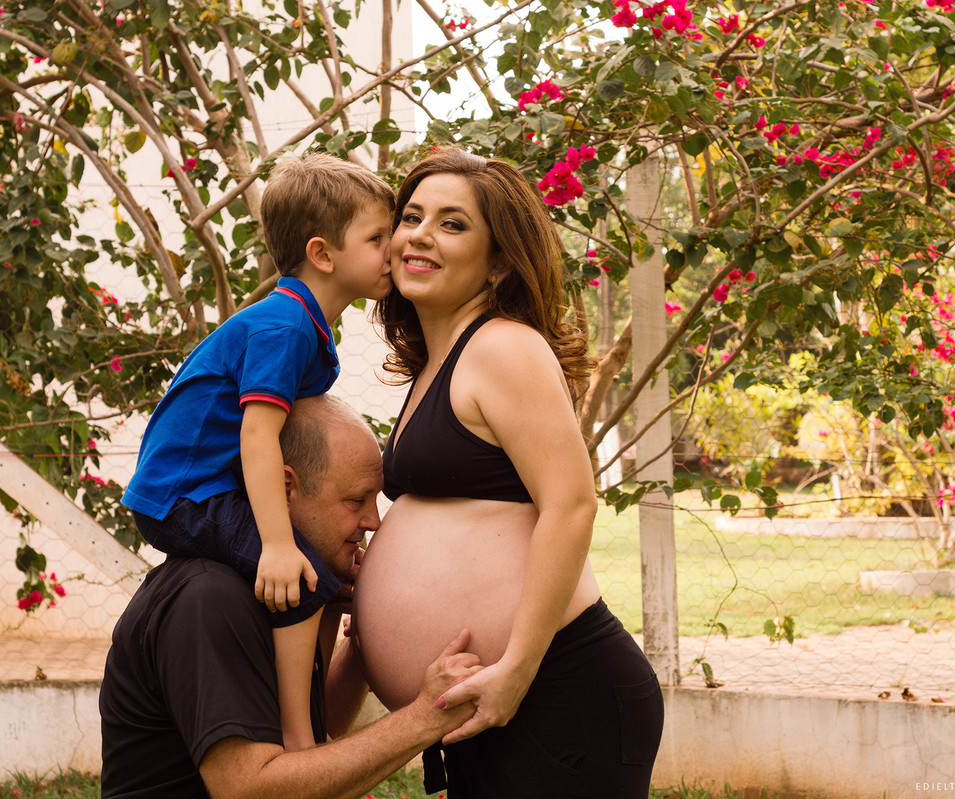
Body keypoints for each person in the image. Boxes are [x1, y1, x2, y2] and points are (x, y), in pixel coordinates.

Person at [351, 148, 664, 797]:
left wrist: (516, 669)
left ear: (497, 262)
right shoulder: (439, 363)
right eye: (412, 216)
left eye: (453, 222)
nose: (421, 234)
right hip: (491, 704)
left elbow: (572, 504)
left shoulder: (501, 346)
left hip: (556, 689)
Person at [119, 151, 395, 751]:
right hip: (184, 498)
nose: (394, 251)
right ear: (323, 254)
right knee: (302, 579)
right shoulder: (284, 327)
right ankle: (301, 740)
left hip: (200, 490)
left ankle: (305, 720)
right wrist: (275, 544)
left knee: (319, 581)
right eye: (378, 238)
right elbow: (257, 434)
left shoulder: (302, 323)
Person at [101, 395, 482, 798]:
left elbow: (313, 741)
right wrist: (425, 718)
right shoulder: (209, 598)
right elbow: (250, 789)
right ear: (285, 488)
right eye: (356, 500)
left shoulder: (287, 589)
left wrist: (358, 645)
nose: (373, 520)